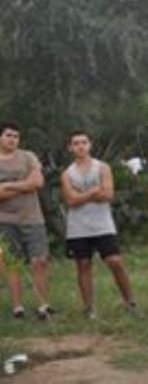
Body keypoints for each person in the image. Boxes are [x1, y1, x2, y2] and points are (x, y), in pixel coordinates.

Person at [61, 130, 138, 319]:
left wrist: (82, 194)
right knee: (83, 265)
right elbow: (70, 200)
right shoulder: (67, 173)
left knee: (115, 261)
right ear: (70, 147)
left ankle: (130, 303)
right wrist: (92, 192)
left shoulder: (102, 167)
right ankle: (89, 308)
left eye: (84, 142)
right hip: (78, 226)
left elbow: (108, 194)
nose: (80, 146)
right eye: (76, 143)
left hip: (103, 224)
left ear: (90, 145)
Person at [0, 122, 54, 320]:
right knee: (12, 264)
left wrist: (8, 186)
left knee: (39, 261)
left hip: (32, 218)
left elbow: (37, 182)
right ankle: (17, 307)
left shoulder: (28, 156)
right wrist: (24, 185)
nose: (13, 139)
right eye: (8, 135)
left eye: (16, 136)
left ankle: (43, 306)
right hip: (4, 220)